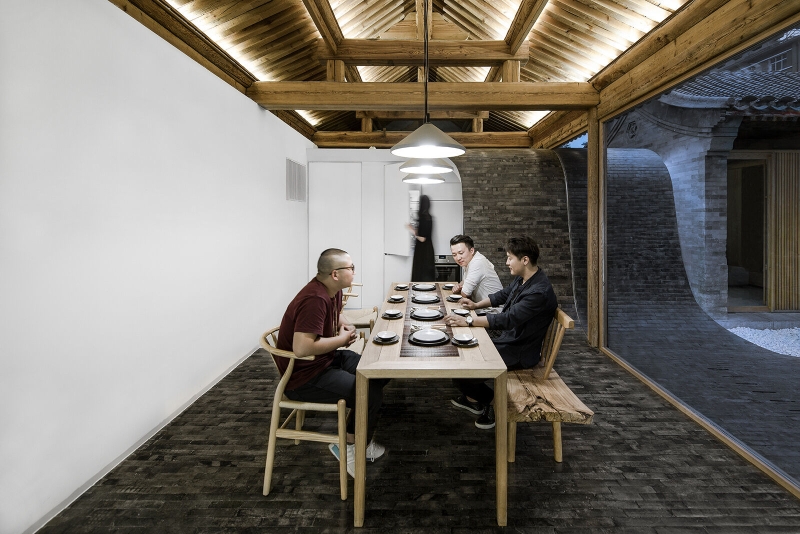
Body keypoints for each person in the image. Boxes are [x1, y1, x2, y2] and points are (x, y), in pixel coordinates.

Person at [276, 248, 389, 477]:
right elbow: (301, 348)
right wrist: (341, 339)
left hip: (324, 361)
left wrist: (344, 325)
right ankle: (350, 447)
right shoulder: (314, 299)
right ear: (335, 274)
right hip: (304, 378)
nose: (354, 272)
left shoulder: (331, 289)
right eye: (351, 268)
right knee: (368, 390)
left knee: (378, 371)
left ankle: (355, 438)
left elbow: (335, 312)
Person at [444, 236, 557, 430]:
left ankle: (493, 403)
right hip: (510, 340)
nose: (506, 263)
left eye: (509, 258)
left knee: (461, 370)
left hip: (520, 350)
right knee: (462, 357)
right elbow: (502, 296)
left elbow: (507, 319)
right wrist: (476, 304)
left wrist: (469, 320)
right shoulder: (525, 279)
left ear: (525, 260)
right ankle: (476, 399)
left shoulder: (538, 292)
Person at [449, 234, 503, 303]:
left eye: (461, 253)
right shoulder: (467, 261)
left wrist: (461, 288)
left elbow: (465, 293)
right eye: (454, 255)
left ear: (471, 250)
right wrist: (459, 285)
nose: (458, 258)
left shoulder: (477, 262)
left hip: (492, 310)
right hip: (480, 307)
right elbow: (465, 281)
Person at [407, 194, 436, 281]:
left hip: (422, 252)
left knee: (420, 277)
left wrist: (411, 231)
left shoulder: (423, 218)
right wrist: (413, 229)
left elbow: (422, 238)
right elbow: (422, 233)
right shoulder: (429, 217)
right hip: (428, 250)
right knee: (428, 278)